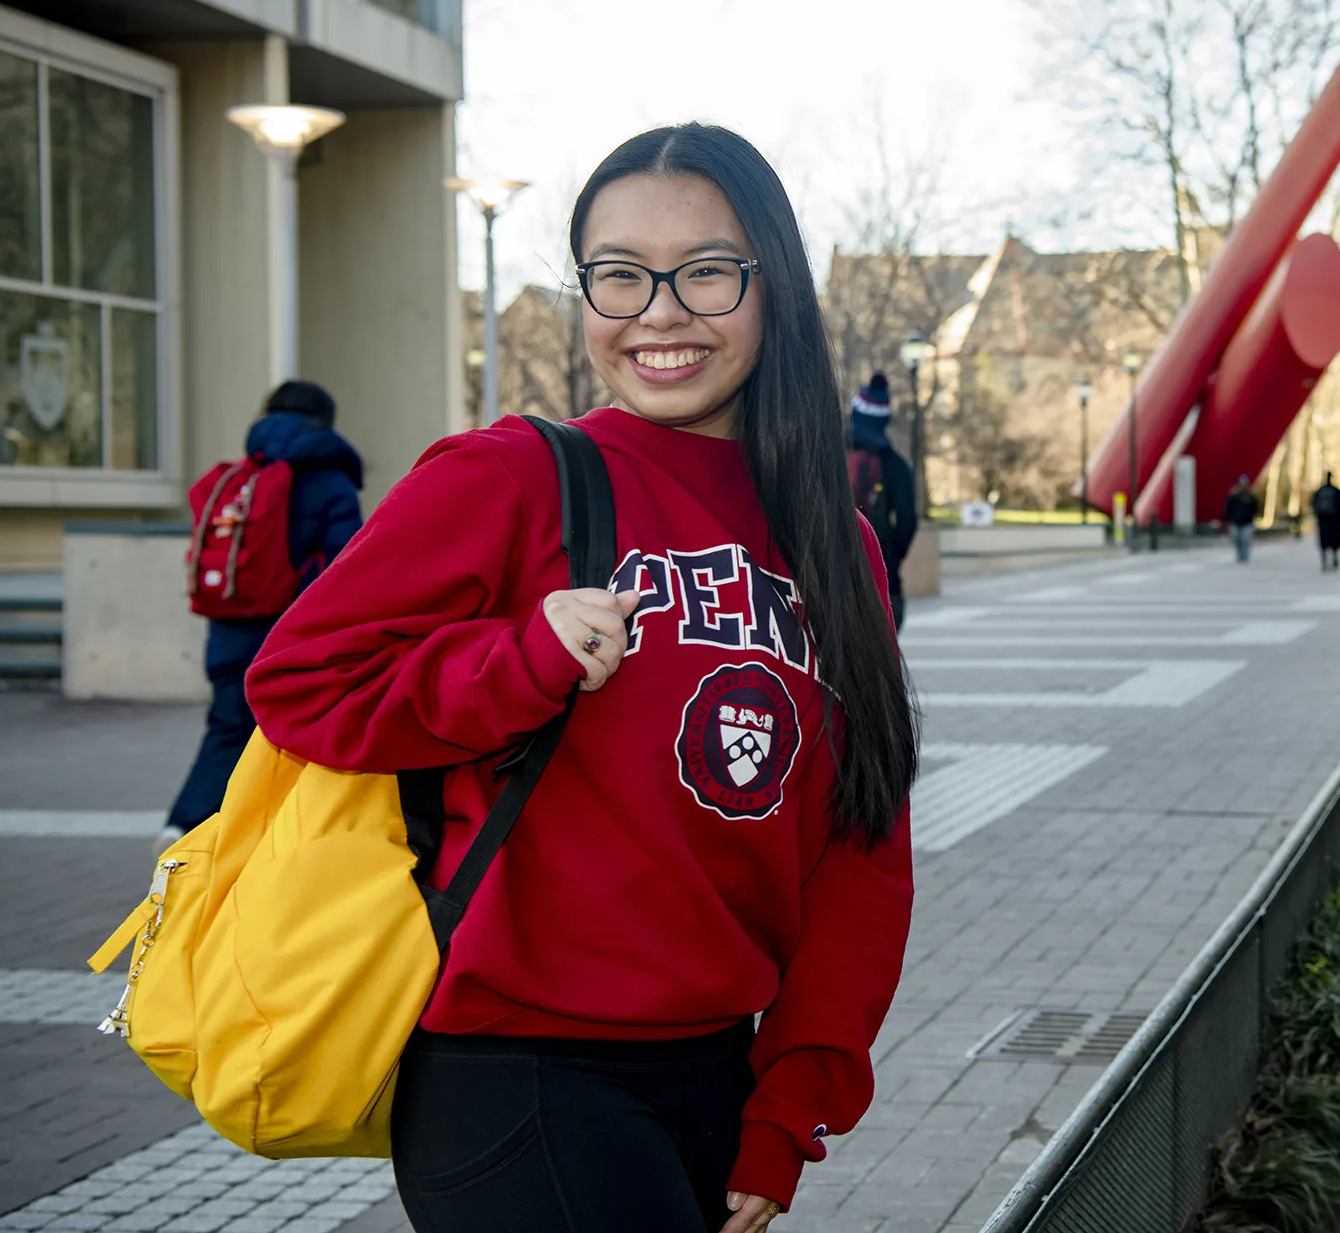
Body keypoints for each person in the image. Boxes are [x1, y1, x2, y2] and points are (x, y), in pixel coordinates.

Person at [245, 124, 917, 1233]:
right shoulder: (510, 475)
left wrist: (796, 1094)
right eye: (619, 273)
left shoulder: (835, 545)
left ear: (775, 289)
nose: (658, 310)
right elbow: (302, 683)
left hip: (716, 1074)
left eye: (706, 270)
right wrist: (519, 664)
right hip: (517, 1067)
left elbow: (862, 851)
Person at [161, 380, 361, 847]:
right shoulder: (328, 482)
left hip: (227, 631)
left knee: (227, 729)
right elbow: (349, 566)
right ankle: (271, 841)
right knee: (291, 738)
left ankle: (183, 826)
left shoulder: (241, 479)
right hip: (290, 635)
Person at [847, 373, 918, 628]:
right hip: (882, 578)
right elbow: (908, 521)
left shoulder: (827, 455)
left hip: (832, 578)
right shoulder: (896, 466)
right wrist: (892, 556)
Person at [1312, 471, 1340, 571]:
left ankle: (1324, 559)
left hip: (1323, 519)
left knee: (1324, 539)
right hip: (1334, 519)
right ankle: (1334, 557)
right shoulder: (1336, 491)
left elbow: (1314, 504)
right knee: (1334, 539)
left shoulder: (1319, 491)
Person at [1222, 474, 1259, 562]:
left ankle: (1244, 555)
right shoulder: (1233, 497)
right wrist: (1227, 520)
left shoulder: (1251, 497)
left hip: (1247, 522)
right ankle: (1239, 554)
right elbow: (1228, 508)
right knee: (1237, 539)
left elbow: (1255, 508)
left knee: (1246, 539)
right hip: (1236, 522)